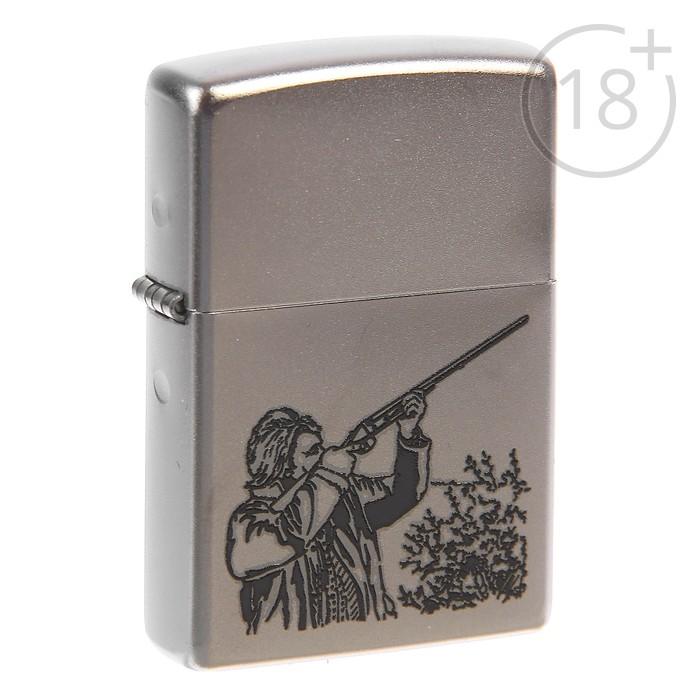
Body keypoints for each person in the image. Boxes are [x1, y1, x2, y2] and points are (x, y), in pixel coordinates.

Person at [225, 392, 431, 633]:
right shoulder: (251, 518)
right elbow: (276, 543)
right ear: (283, 463)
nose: (323, 456)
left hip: (361, 636)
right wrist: (331, 473)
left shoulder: (346, 494)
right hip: (292, 644)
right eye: (312, 452)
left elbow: (403, 495)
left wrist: (408, 434)